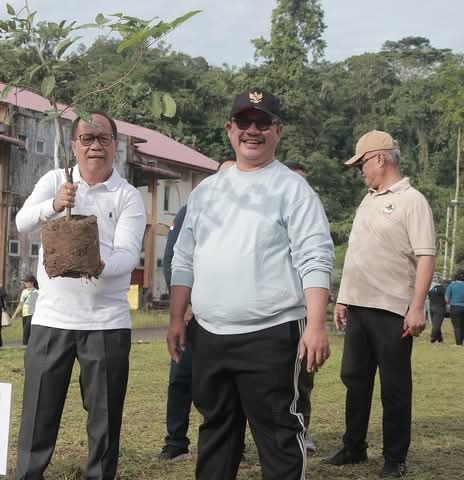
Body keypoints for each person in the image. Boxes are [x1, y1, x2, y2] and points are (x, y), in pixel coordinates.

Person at [168, 88, 334, 480]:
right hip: (209, 333)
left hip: (273, 335)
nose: (253, 131)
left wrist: (315, 324)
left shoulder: (294, 190)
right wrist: (177, 317)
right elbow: (183, 257)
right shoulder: (206, 191)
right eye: (245, 122)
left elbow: (314, 257)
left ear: (278, 130)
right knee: (216, 432)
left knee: (278, 436)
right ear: (230, 129)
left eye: (263, 123)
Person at [14, 111, 146, 480]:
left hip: (106, 322)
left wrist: (97, 264)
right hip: (52, 319)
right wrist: (55, 205)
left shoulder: (127, 196)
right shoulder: (56, 180)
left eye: (103, 138)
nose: (95, 146)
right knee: (38, 412)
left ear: (115, 146)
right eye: (87, 138)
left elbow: (128, 253)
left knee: (104, 418)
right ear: (73, 145)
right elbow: (22, 223)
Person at [322, 130, 435, 478]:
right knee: (354, 379)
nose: (360, 171)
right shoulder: (368, 199)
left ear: (379, 159)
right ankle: (354, 446)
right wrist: (343, 299)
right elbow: (357, 254)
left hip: (392, 309)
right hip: (358, 306)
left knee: (395, 386)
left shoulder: (411, 200)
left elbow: (426, 256)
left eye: (361, 164)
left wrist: (417, 307)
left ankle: (394, 458)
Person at [157, 160, 235, 462]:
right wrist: (185, 306)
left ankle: (230, 444)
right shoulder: (191, 210)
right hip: (192, 316)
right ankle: (176, 442)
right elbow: (174, 258)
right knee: (181, 378)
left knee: (227, 382)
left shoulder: (248, 216)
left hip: (231, 318)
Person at [283, 161, 317, 454]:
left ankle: (302, 431)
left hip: (303, 312)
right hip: (275, 314)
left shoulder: (311, 219)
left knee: (302, 379)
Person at [11, 274, 39, 346]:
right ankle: (27, 346)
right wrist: (14, 315)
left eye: (27, 282)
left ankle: (26, 346)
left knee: (27, 332)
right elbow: (21, 304)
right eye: (25, 282)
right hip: (25, 314)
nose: (25, 283)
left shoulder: (37, 292)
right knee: (25, 331)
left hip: (32, 314)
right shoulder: (24, 292)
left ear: (32, 282)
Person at [445, 271, 464, 345]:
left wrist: (449, 303)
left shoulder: (452, 285)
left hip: (455, 307)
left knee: (457, 326)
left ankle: (459, 343)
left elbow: (446, 298)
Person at [428, 273, 446, 343]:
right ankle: (433, 337)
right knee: (437, 324)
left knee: (435, 323)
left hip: (431, 307)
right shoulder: (442, 288)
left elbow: (429, 297)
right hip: (440, 308)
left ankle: (440, 339)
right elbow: (446, 298)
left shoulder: (430, 288)